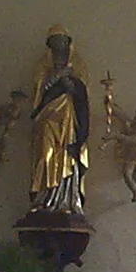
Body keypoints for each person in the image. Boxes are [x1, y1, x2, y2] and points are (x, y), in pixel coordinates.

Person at [28, 27, 89, 214]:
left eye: (62, 41)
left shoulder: (77, 67)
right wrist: (56, 77)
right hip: (47, 116)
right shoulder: (43, 68)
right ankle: (43, 198)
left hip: (68, 116)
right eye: (55, 41)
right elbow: (40, 91)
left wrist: (71, 84)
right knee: (45, 155)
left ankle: (65, 200)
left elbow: (81, 93)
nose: (59, 45)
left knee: (66, 156)